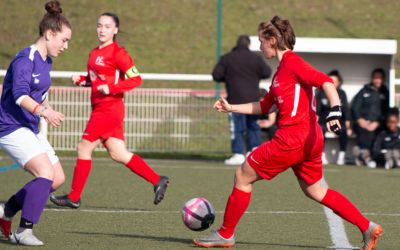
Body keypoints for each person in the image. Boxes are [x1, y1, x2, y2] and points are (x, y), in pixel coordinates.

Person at [193, 16, 382, 250]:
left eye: (262, 41)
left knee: (243, 176)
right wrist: (232, 107)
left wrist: (335, 111)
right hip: (309, 140)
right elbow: (264, 106)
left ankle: (225, 234)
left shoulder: (293, 63)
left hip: (293, 138)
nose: (260, 47)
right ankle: (367, 227)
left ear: (273, 40)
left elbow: (327, 83)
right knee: (315, 190)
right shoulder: (281, 72)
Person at [50, 13, 169, 209]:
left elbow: (135, 79)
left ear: (115, 30)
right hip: (100, 108)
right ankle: (157, 180)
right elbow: (98, 80)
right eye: (99, 26)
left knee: (83, 148)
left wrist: (112, 89)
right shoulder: (94, 53)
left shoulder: (118, 53)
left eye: (107, 26)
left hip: (109, 110)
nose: (102, 30)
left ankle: (74, 196)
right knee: (118, 154)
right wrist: (83, 80)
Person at [0, 1, 71, 245]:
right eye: (64, 40)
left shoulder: (46, 60)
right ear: (50, 34)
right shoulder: (25, 59)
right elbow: (20, 96)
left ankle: (6, 210)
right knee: (45, 173)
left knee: (57, 178)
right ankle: (24, 231)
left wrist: (48, 109)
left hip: (29, 126)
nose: (66, 46)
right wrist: (44, 112)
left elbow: (39, 95)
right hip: (10, 126)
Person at [212, 35, 272, 165]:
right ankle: (254, 151)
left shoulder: (227, 58)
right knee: (253, 126)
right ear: (249, 45)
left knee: (237, 127)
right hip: (252, 100)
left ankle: (239, 154)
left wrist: (229, 77)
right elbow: (267, 72)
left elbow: (216, 75)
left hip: (234, 99)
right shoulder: (255, 59)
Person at [351, 69, 386, 168]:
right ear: (372, 78)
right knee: (365, 131)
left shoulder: (385, 92)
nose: (377, 80)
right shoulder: (364, 91)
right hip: (361, 123)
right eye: (376, 77)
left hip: (377, 124)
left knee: (374, 133)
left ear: (383, 79)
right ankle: (366, 157)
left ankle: (360, 153)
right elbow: (355, 107)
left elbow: (386, 111)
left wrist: (378, 122)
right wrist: (360, 120)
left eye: (380, 78)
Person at [316, 70, 352, 165]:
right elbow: (317, 111)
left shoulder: (342, 93)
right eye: (330, 81)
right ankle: (321, 155)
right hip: (324, 120)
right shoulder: (321, 92)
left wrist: (348, 125)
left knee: (344, 130)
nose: (332, 84)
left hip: (338, 120)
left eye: (334, 82)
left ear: (339, 83)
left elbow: (345, 110)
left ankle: (341, 155)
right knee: (319, 130)